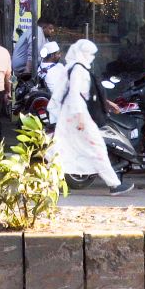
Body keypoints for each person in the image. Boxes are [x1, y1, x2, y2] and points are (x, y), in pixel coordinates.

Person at [47, 39, 133, 196]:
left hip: (72, 115)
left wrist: (107, 103)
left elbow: (85, 93)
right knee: (96, 148)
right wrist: (80, 118)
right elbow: (75, 94)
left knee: (64, 149)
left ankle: (53, 183)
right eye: (89, 53)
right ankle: (114, 184)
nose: (91, 57)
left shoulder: (74, 67)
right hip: (78, 116)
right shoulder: (78, 70)